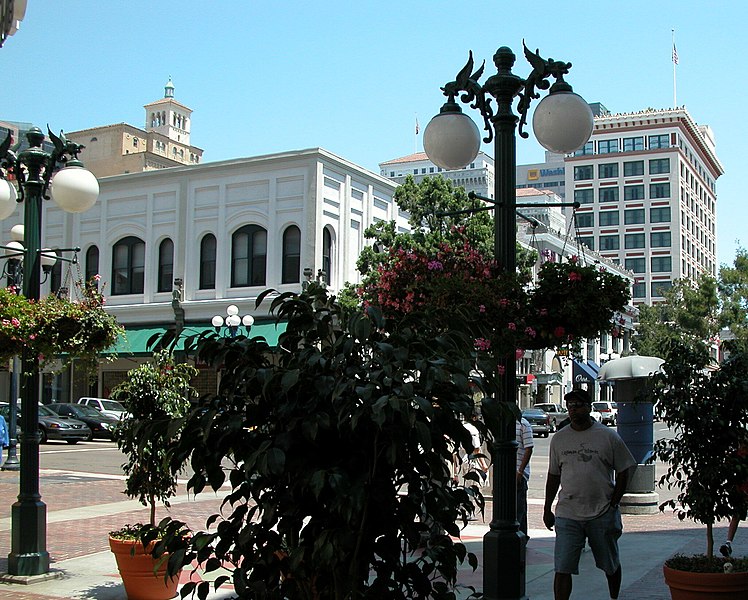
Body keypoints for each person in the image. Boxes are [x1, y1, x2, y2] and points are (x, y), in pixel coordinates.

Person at [543, 388, 636, 600]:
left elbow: (625, 468)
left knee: (610, 564)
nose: (573, 411)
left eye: (578, 406)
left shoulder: (607, 436)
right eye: (570, 407)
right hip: (568, 513)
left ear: (588, 407)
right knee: (563, 567)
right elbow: (553, 475)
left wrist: (614, 501)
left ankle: (614, 596)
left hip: (602, 513)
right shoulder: (559, 439)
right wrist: (547, 508)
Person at [719, 439, 748, 557]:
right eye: (740, 443)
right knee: (736, 516)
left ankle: (728, 543)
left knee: (736, 516)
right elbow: (729, 474)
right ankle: (728, 543)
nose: (742, 446)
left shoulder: (737, 456)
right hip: (740, 491)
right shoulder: (734, 456)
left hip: (742, 491)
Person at [516, 415, 534, 536]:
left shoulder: (523, 425)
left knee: (519, 508)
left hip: (518, 474)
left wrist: (520, 471)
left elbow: (529, 448)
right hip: (506, 473)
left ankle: (521, 535)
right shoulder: (503, 424)